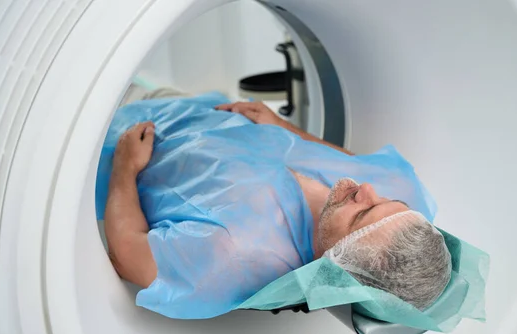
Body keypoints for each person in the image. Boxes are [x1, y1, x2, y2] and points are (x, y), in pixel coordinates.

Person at [100, 91, 451, 319]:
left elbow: (127, 254)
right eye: (390, 202)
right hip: (192, 106)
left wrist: (124, 167)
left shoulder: (231, 254)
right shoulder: (405, 205)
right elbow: (357, 164)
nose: (369, 189)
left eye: (361, 212)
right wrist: (285, 127)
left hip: (118, 133)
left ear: (336, 271)